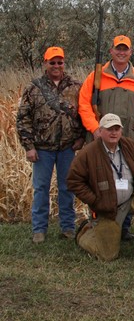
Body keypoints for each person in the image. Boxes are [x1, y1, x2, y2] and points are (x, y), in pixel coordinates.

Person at [78, 34, 134, 241]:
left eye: (126, 49)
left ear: (131, 52)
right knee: (99, 181)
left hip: (131, 140)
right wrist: (95, 129)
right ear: (111, 51)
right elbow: (84, 106)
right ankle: (97, 224)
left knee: (128, 179)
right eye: (118, 49)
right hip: (102, 141)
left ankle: (123, 228)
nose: (122, 52)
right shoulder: (95, 77)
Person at [68, 114, 134, 265]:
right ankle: (85, 233)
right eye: (109, 129)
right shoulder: (88, 153)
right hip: (107, 206)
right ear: (100, 131)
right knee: (107, 255)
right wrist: (95, 201)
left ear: (121, 130)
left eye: (116, 129)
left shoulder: (129, 145)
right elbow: (73, 181)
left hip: (130, 197)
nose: (113, 133)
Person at [16, 46, 85, 243]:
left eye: (59, 62)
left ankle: (68, 227)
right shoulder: (34, 88)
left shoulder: (76, 86)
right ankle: (39, 229)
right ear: (45, 63)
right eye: (52, 62)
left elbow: (84, 114)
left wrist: (80, 138)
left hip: (67, 148)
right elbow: (23, 119)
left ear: (64, 63)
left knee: (67, 188)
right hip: (42, 149)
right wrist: (29, 146)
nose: (56, 65)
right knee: (41, 188)